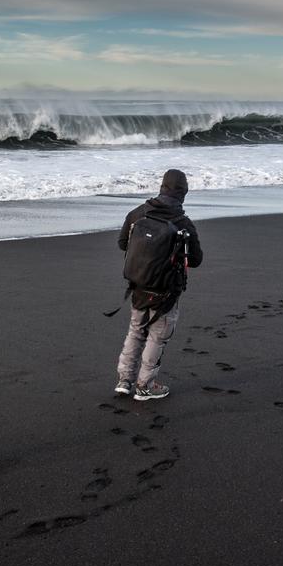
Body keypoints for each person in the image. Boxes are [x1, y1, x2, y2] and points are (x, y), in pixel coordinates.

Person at [114, 169, 203, 401]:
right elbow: (196, 259)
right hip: (166, 292)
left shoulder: (138, 213)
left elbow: (123, 243)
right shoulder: (183, 223)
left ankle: (124, 380)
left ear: (162, 186)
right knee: (157, 337)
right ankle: (145, 386)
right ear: (183, 193)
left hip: (138, 284)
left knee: (135, 331)